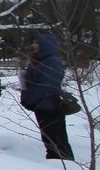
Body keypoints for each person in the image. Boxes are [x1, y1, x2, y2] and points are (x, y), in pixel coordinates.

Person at [20, 32, 74, 160]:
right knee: (49, 140)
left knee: (57, 142)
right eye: (33, 42)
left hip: (50, 107)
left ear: (46, 45)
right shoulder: (38, 60)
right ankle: (55, 163)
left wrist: (28, 98)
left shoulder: (51, 62)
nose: (33, 45)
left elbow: (47, 86)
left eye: (37, 43)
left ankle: (64, 164)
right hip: (41, 106)